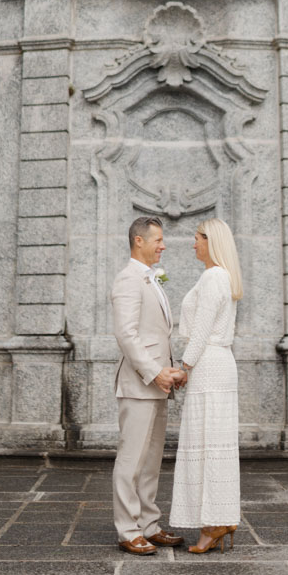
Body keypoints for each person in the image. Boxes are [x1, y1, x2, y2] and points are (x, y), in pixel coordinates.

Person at [111, 215, 185, 555]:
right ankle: (128, 530)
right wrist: (155, 372)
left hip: (159, 383)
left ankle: (149, 524)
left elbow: (157, 333)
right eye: (157, 239)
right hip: (140, 383)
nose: (163, 245)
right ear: (138, 241)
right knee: (132, 459)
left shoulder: (152, 280)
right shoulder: (128, 279)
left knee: (152, 458)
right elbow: (126, 335)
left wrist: (170, 372)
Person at [169, 217, 242, 554]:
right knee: (213, 443)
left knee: (209, 444)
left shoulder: (214, 276)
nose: (192, 243)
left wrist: (184, 366)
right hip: (217, 362)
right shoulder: (221, 276)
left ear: (210, 241)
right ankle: (217, 520)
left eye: (196, 237)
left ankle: (214, 523)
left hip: (209, 363)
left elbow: (200, 329)